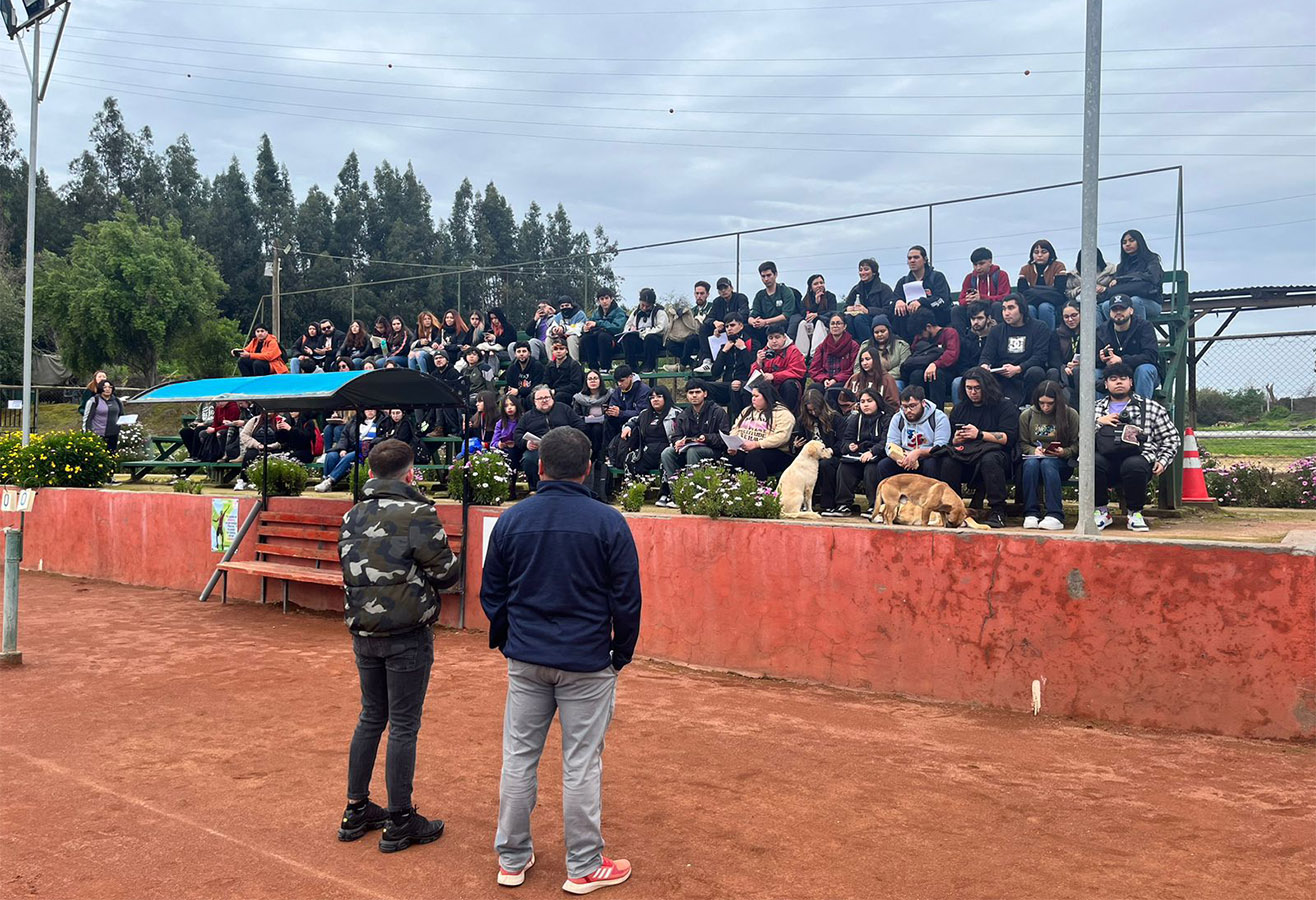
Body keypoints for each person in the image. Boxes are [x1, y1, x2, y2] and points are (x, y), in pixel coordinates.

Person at [480, 426, 640, 894]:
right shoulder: (609, 521)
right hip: (587, 660)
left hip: (528, 657)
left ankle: (511, 859)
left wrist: (510, 637)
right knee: (581, 764)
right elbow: (626, 599)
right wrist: (619, 654)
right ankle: (584, 866)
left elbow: (493, 592)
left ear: (540, 467)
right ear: (589, 469)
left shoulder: (513, 518)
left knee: (519, 758)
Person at [337, 438, 460, 853]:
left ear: (371, 473)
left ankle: (356, 809)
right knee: (404, 724)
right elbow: (447, 575)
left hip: (364, 632)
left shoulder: (352, 514)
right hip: (406, 634)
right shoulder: (418, 512)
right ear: (410, 475)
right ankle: (400, 819)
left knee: (371, 717)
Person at [1092, 363, 1180, 532]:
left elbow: (1172, 438)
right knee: (1092, 462)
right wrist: (1097, 423)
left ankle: (1135, 514)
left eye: (1123, 378)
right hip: (1106, 460)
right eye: (1113, 379)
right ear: (1105, 384)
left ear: (1131, 382)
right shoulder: (1095, 408)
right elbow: (1079, 438)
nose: (1119, 382)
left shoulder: (1150, 407)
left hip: (1138, 460)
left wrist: (1162, 461)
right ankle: (1101, 511)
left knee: (1134, 464)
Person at [942, 367, 1019, 529]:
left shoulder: (1004, 405)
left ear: (987, 387)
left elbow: (1008, 438)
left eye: (977, 388)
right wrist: (956, 439)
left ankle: (998, 511)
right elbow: (951, 442)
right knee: (949, 460)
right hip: (967, 453)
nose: (973, 392)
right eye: (969, 388)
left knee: (989, 460)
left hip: (997, 455)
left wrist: (979, 434)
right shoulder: (960, 408)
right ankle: (954, 508)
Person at [1018, 381, 1080, 530]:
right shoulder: (1027, 415)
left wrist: (1063, 452)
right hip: (1035, 461)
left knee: (1048, 463)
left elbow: (1077, 445)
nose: (1045, 407)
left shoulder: (1070, 414)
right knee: (1031, 464)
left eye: (1050, 404)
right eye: (1042, 403)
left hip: (1060, 463)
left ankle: (1055, 514)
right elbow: (1023, 443)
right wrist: (1033, 451)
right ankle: (1031, 513)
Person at [818, 388, 890, 517]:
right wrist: (848, 447)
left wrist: (872, 451)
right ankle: (843, 505)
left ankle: (874, 505)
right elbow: (845, 441)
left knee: (871, 469)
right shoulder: (855, 419)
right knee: (845, 467)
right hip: (857, 456)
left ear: (877, 402)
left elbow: (886, 441)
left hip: (876, 456)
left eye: (869, 401)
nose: (866, 404)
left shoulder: (886, 418)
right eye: (862, 402)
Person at [656, 379, 728, 508]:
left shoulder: (717, 412)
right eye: (691, 392)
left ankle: (692, 495)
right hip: (688, 448)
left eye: (697, 392)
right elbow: (676, 435)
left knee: (693, 451)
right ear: (687, 395)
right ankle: (677, 494)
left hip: (714, 451)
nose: (694, 395)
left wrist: (706, 438)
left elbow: (724, 438)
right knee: (667, 452)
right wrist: (677, 441)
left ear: (705, 394)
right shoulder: (684, 414)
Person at [979, 293, 1054, 408]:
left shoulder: (1039, 327)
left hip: (1026, 372)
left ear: (1022, 309)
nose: (1006, 313)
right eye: (1003, 309)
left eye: (1011, 308)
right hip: (1003, 374)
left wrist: (1018, 368)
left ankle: (1031, 407)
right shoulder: (996, 331)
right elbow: (987, 355)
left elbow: (1040, 356)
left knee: (1036, 372)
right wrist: (984, 365)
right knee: (982, 375)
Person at [874, 385, 951, 487]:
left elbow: (941, 447)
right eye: (904, 407)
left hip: (928, 456)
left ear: (923, 403)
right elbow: (890, 444)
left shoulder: (939, 417)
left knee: (932, 464)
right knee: (883, 465)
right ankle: (890, 500)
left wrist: (918, 453)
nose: (908, 411)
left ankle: (930, 500)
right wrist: (898, 457)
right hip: (904, 456)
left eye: (912, 406)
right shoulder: (898, 418)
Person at [513, 385, 585, 492]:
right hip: (538, 448)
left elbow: (581, 426)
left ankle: (567, 489)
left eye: (547, 397)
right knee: (529, 459)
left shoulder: (564, 409)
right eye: (540, 399)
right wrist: (526, 443)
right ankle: (536, 489)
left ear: (552, 398)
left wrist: (569, 438)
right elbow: (517, 434)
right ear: (534, 401)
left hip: (564, 446)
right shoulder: (527, 416)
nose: (544, 401)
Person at [1097, 295, 1162, 399]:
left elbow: (1151, 356)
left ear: (1131, 310)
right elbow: (1094, 360)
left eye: (1122, 308)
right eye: (1114, 309)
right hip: (1113, 373)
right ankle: (1098, 412)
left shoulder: (1144, 326)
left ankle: (1142, 410)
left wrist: (1121, 360)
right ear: (1110, 313)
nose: (1118, 312)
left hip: (1138, 373)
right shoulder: (1102, 330)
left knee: (1144, 370)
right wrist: (1101, 359)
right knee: (1095, 373)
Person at [726, 382, 796, 480]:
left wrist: (757, 444)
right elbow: (735, 428)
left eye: (756, 396)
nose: (753, 399)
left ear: (766, 396)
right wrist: (733, 444)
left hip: (775, 453)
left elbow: (782, 437)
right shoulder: (747, 411)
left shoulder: (782, 413)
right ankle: (733, 489)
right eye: (752, 396)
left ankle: (760, 489)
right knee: (732, 457)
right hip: (745, 448)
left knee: (754, 456)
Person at [900, 309, 960, 408]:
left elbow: (952, 354)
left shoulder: (949, 333)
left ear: (928, 327)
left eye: (920, 333)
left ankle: (937, 413)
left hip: (945, 373)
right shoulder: (919, 338)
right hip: (922, 372)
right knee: (916, 374)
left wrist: (935, 364)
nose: (919, 337)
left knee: (936, 374)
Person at [892, 245, 953, 337]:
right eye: (909, 258)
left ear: (924, 260)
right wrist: (898, 301)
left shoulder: (937, 277)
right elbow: (895, 298)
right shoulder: (903, 281)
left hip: (936, 318)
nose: (912, 260)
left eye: (916, 257)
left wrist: (921, 302)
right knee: (898, 312)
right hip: (910, 321)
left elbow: (942, 300)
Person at [316, 408, 382, 492]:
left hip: (368, 450)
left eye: (372, 410)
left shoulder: (382, 421)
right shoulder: (355, 420)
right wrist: (342, 449)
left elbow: (381, 438)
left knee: (350, 456)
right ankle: (326, 481)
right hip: (351, 447)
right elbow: (345, 435)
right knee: (331, 455)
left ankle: (330, 481)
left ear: (376, 410)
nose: (370, 412)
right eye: (367, 410)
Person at [618, 385, 677, 477]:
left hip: (667, 450)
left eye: (659, 396)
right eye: (652, 398)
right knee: (631, 460)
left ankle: (666, 490)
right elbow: (633, 421)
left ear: (666, 398)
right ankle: (635, 489)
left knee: (666, 461)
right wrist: (628, 427)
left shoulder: (676, 414)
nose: (655, 399)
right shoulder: (645, 414)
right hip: (646, 451)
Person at [1105, 229, 1163, 321]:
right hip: (1125, 302)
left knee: (1135, 301)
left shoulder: (1152, 260)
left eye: (1131, 241)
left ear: (1139, 242)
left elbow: (1153, 277)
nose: (1127, 244)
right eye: (1124, 242)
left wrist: (1122, 279)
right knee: (1106, 305)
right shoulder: (1121, 266)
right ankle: (1114, 333)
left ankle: (1139, 333)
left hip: (1150, 302)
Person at [572, 370, 614, 498]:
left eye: (595, 378)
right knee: (589, 427)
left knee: (597, 428)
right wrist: (586, 417)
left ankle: (597, 456)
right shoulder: (578, 398)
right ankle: (589, 455)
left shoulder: (609, 395)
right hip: (586, 428)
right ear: (586, 382)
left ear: (600, 380)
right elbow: (576, 417)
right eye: (590, 379)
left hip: (604, 428)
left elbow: (612, 413)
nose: (593, 381)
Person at [749, 325, 807, 414]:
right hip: (769, 386)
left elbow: (797, 371)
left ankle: (788, 415)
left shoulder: (793, 351)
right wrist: (758, 362)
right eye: (771, 338)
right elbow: (753, 376)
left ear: (784, 337)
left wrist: (774, 376)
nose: (774, 341)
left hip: (786, 385)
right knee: (746, 388)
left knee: (789, 385)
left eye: (777, 337)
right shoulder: (765, 351)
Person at [706, 313, 755, 418]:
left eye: (732, 325)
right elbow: (715, 373)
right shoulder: (725, 344)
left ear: (741, 326)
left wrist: (743, 349)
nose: (729, 329)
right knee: (703, 387)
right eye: (727, 326)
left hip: (745, 385)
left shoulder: (751, 343)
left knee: (736, 388)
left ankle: (737, 424)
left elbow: (752, 369)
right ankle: (713, 420)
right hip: (727, 384)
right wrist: (723, 352)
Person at [808, 313, 860, 409]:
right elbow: (814, 369)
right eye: (832, 323)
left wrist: (835, 379)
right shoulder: (822, 346)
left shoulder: (853, 346)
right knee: (813, 389)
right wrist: (824, 379)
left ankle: (832, 419)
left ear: (845, 326)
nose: (835, 326)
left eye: (838, 323)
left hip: (844, 381)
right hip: (825, 380)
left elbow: (852, 369)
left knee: (832, 391)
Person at [700, 277, 751, 372]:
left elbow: (744, 314)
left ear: (731, 288)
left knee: (746, 327)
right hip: (724, 330)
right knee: (704, 328)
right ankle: (706, 360)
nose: (723, 291)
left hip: (739, 328)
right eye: (720, 289)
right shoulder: (717, 302)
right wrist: (715, 323)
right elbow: (708, 319)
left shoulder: (740, 298)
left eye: (725, 288)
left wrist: (727, 323)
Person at [1016, 239, 1067, 331]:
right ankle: (1032, 338)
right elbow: (1022, 293)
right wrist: (1048, 291)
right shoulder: (1025, 269)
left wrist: (1033, 291)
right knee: (1029, 309)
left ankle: (1049, 338)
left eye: (1043, 252)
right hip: (1031, 303)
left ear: (1050, 253)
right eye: (1036, 252)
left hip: (1052, 304)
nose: (1039, 255)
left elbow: (1059, 290)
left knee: (1044, 307)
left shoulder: (1058, 266)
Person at [952, 300, 996, 403]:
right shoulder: (965, 340)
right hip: (970, 377)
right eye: (973, 319)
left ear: (988, 319)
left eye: (980, 318)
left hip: (993, 376)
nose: (975, 322)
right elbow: (962, 366)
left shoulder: (997, 336)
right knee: (957, 382)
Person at [955, 247, 1011, 328]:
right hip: (974, 310)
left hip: (992, 310)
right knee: (956, 310)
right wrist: (968, 300)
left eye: (981, 264)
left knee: (997, 306)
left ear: (990, 262)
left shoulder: (1001, 275)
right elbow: (961, 299)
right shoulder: (969, 278)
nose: (978, 268)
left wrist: (982, 298)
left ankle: (1000, 335)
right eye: (975, 264)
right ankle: (963, 339)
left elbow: (1005, 298)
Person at [841, 257, 893, 343]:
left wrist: (868, 310)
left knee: (859, 319)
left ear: (874, 272)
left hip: (876, 319)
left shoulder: (884, 288)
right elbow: (845, 306)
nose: (862, 273)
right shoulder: (856, 289)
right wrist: (848, 309)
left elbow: (888, 310)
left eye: (866, 269)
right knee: (848, 318)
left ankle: (869, 345)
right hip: (857, 320)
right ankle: (851, 346)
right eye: (860, 270)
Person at [748, 261, 800, 345]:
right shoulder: (760, 295)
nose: (766, 279)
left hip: (782, 327)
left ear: (775, 274)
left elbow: (786, 315)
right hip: (763, 328)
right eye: (763, 276)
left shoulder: (785, 291)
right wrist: (754, 322)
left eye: (769, 275)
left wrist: (765, 322)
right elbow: (752, 314)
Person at [619, 288, 669, 373]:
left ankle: (649, 365)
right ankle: (632, 366)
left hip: (654, 342)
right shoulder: (635, 312)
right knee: (627, 338)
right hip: (640, 341)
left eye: (647, 306)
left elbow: (661, 328)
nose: (644, 308)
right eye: (642, 305)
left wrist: (644, 333)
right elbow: (627, 326)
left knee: (650, 338)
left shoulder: (660, 312)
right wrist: (631, 330)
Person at [856, 317, 911, 390]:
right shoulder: (865, 345)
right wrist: (871, 377)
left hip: (894, 379)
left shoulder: (901, 345)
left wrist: (883, 377)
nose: (879, 334)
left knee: (896, 387)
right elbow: (857, 368)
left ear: (889, 330)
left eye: (882, 331)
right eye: (876, 332)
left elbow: (903, 367)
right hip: (868, 379)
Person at [581, 289, 628, 373]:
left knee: (603, 336)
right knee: (586, 338)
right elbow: (590, 323)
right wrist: (586, 328)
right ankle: (593, 368)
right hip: (598, 345)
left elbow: (617, 328)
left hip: (614, 343)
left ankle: (605, 368)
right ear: (598, 301)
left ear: (611, 299)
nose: (604, 301)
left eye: (606, 298)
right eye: (602, 299)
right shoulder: (596, 313)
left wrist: (598, 324)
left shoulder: (619, 312)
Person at [794, 274, 837, 361]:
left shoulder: (830, 296)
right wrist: (816, 303)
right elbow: (804, 314)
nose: (819, 285)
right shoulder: (805, 300)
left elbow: (833, 312)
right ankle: (801, 356)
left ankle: (815, 354)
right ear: (811, 287)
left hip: (825, 325)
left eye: (821, 282)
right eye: (816, 283)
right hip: (809, 328)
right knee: (802, 323)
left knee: (819, 322)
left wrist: (818, 314)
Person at [603, 365, 651, 442]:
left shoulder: (644, 390)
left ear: (630, 377)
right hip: (621, 420)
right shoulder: (618, 391)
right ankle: (607, 451)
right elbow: (613, 405)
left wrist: (621, 413)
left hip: (638, 423)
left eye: (622, 381)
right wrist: (610, 411)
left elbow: (642, 413)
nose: (619, 384)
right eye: (617, 381)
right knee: (608, 421)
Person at [81, 379, 125, 452]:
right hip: (98, 434)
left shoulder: (117, 401)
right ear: (101, 388)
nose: (107, 389)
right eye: (105, 387)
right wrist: (86, 434)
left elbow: (121, 415)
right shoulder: (94, 400)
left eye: (110, 387)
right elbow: (87, 418)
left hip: (113, 435)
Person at [544, 339, 586, 405]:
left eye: (561, 349)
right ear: (552, 351)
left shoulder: (574, 365)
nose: (558, 351)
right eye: (555, 349)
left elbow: (576, 386)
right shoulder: (550, 365)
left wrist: (556, 391)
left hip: (570, 394)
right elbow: (546, 382)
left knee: (559, 397)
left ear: (566, 350)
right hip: (552, 392)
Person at [1055, 299, 1083, 396]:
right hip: (1064, 368)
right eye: (1066, 317)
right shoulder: (1057, 334)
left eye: (1074, 315)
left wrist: (1081, 364)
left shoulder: (1089, 332)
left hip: (1081, 368)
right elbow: (1053, 358)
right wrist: (1063, 367)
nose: (1070, 320)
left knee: (1078, 371)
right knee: (1053, 372)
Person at [548, 296, 588, 361]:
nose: (565, 308)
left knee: (571, 338)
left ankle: (574, 364)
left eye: (567, 305)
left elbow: (578, 329)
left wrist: (564, 329)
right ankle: (552, 363)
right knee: (548, 339)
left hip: (578, 339)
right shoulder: (559, 316)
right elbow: (549, 330)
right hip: (562, 338)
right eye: (562, 306)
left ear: (571, 305)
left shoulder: (580, 314)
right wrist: (554, 330)